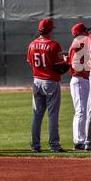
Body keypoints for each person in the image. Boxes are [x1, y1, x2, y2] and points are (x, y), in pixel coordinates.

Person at [27, 19, 66, 153]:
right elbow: (60, 67)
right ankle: (54, 145)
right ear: (50, 30)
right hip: (50, 82)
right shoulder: (54, 45)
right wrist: (66, 62)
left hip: (37, 81)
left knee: (37, 114)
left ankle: (35, 145)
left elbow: (30, 63)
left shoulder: (32, 44)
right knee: (52, 114)